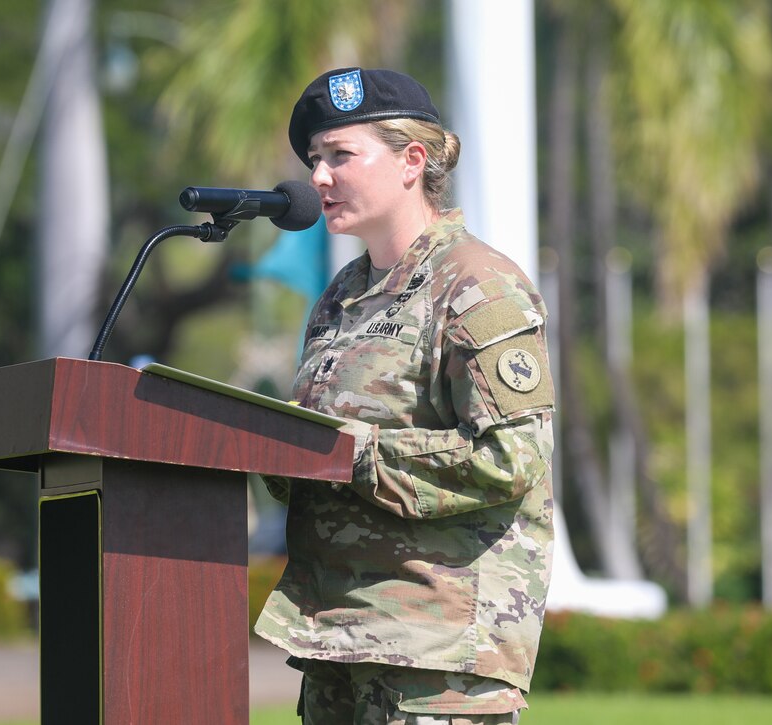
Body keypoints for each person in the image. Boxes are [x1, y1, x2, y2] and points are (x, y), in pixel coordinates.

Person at [254, 67, 556, 725]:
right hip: (337, 641)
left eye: (340, 156)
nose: (320, 178)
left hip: (435, 660)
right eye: (315, 160)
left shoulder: (477, 285)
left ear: (411, 161)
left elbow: (514, 455)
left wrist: (349, 453)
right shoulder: (341, 297)